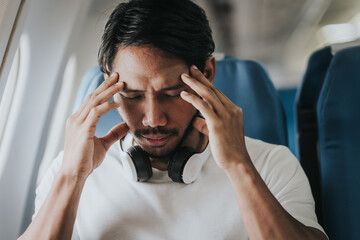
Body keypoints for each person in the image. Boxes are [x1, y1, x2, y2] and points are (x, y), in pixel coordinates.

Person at [19, 0, 327, 239]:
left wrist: (239, 166)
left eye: (171, 92)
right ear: (107, 83)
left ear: (206, 74)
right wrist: (72, 177)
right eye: (133, 94)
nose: (153, 118)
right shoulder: (67, 172)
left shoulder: (270, 164)